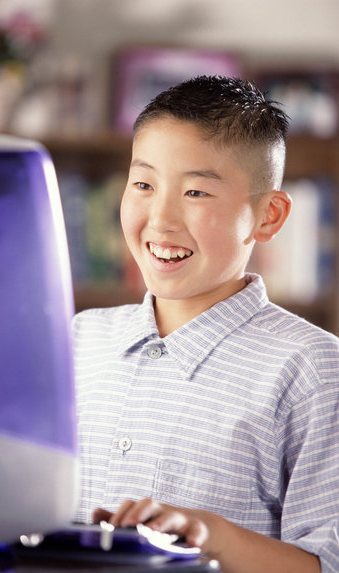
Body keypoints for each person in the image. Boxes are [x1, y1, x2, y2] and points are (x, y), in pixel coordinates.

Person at [72, 75, 339, 573]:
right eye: (144, 184)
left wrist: (209, 535)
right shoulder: (78, 340)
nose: (162, 218)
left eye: (195, 191)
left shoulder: (314, 370)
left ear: (269, 216)